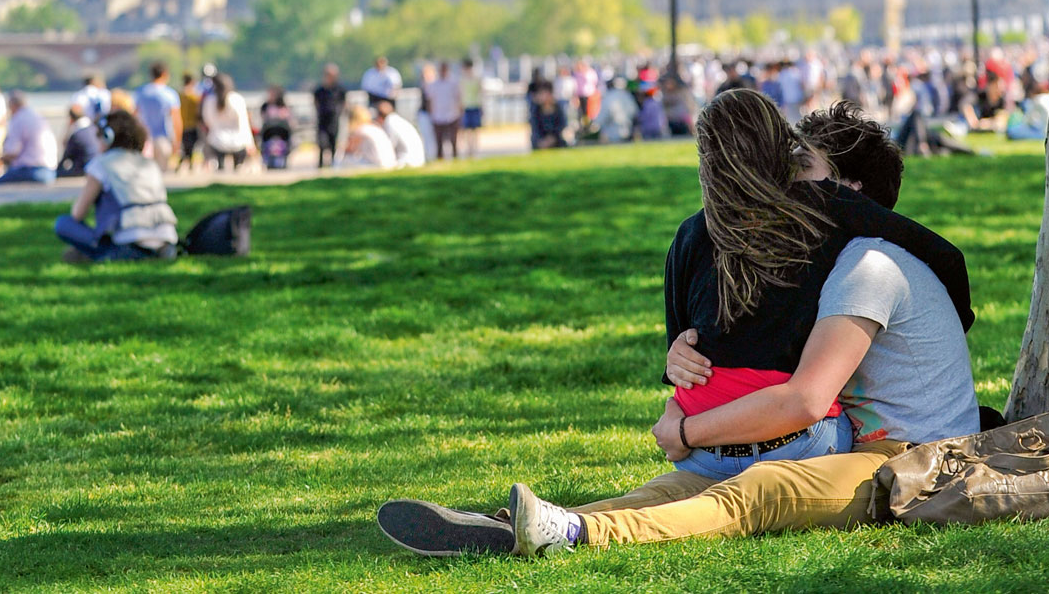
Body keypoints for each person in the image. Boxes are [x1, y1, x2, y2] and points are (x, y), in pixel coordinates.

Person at [377, 94, 976, 557]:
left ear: (845, 191)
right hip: (852, 444)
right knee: (676, 487)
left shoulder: (869, 267)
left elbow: (804, 398)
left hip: (915, 463)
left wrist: (688, 430)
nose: (784, 174)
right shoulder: (831, 258)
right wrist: (682, 356)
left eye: (802, 164)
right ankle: (524, 527)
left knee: (757, 492)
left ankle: (578, 534)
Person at [53, 110, 178, 263]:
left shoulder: (101, 165)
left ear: (107, 137)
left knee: (63, 223)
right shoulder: (149, 163)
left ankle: (99, 254)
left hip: (129, 244)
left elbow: (78, 214)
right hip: (167, 241)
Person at [0, 91, 58, 184]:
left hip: (30, 170)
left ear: (12, 105)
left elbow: (13, 151)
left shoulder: (18, 119)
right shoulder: (37, 116)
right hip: (50, 171)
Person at [201, 72, 256, 170]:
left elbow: (207, 121)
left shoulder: (210, 100)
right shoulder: (237, 99)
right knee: (238, 169)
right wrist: (250, 142)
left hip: (217, 140)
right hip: (239, 141)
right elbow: (244, 123)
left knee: (220, 169)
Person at [135, 61, 183, 168]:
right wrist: (177, 142)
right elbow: (176, 121)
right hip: (163, 139)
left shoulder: (141, 92)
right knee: (161, 176)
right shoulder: (170, 94)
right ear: (165, 74)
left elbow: (135, 116)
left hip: (145, 139)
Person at [338, 104, 397, 168]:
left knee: (344, 161)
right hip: (390, 162)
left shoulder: (360, 130)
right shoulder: (373, 127)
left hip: (378, 164)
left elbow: (348, 150)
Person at [425, 61, 463, 159]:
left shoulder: (454, 82)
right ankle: (440, 157)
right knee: (439, 140)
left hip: (452, 114)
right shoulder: (433, 84)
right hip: (438, 115)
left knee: (453, 140)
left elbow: (459, 98)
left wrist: (460, 112)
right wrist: (431, 113)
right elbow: (430, 100)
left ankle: (455, 157)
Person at [313, 64, 347, 167]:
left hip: (334, 119)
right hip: (322, 118)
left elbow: (344, 102)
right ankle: (320, 163)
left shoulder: (340, 89)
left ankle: (333, 163)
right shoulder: (319, 90)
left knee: (333, 141)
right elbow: (315, 102)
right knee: (322, 142)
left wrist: (339, 112)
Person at [375, 97, 426, 167]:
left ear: (379, 116)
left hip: (407, 161)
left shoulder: (390, 123)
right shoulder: (397, 120)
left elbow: (389, 147)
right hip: (417, 160)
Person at [58, 102, 104, 178]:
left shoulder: (77, 134)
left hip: (83, 169)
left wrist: (68, 129)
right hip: (96, 166)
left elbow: (67, 156)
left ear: (71, 118)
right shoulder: (94, 128)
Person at [595, 74, 639, 144]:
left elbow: (602, 116)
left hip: (612, 133)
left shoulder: (609, 97)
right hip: (626, 131)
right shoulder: (628, 96)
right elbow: (635, 112)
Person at [259, 87, 295, 169]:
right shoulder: (265, 106)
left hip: (282, 133)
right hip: (269, 133)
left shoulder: (284, 106)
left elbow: (290, 122)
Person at [528, 82, 569, 150]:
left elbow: (562, 126)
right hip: (540, 144)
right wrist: (542, 142)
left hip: (557, 142)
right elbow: (535, 130)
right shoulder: (535, 111)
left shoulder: (558, 109)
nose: (539, 96)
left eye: (541, 93)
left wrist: (551, 139)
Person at [458, 58, 484, 158]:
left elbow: (480, 93)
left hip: (475, 106)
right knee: (467, 130)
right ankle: (469, 149)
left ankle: (473, 149)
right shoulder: (463, 80)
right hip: (466, 107)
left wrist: (481, 106)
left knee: (474, 130)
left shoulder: (476, 79)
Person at [178, 71, 203, 168]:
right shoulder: (194, 96)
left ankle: (185, 162)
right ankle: (189, 163)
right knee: (191, 146)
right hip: (192, 125)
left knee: (186, 146)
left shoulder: (179, 95)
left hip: (182, 125)